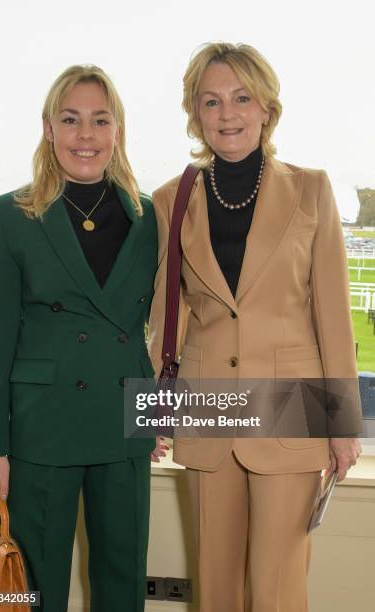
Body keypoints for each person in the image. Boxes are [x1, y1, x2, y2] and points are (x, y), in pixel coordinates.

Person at [147, 42, 363, 612]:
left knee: (277, 589)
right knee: (215, 586)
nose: (228, 114)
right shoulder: (171, 199)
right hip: (207, 407)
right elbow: (163, 319)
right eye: (211, 101)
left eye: (242, 98)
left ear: (267, 107)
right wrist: (149, 415)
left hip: (292, 406)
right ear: (195, 113)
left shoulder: (312, 189)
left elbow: (333, 319)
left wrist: (344, 425)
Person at [0, 64, 164, 612]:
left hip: (120, 425)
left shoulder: (147, 216)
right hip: (41, 429)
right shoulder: (9, 216)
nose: (86, 134)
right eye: (71, 119)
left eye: (100, 120)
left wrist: (150, 414)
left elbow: (143, 333)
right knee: (34, 589)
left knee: (122, 582)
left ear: (118, 131)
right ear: (48, 128)